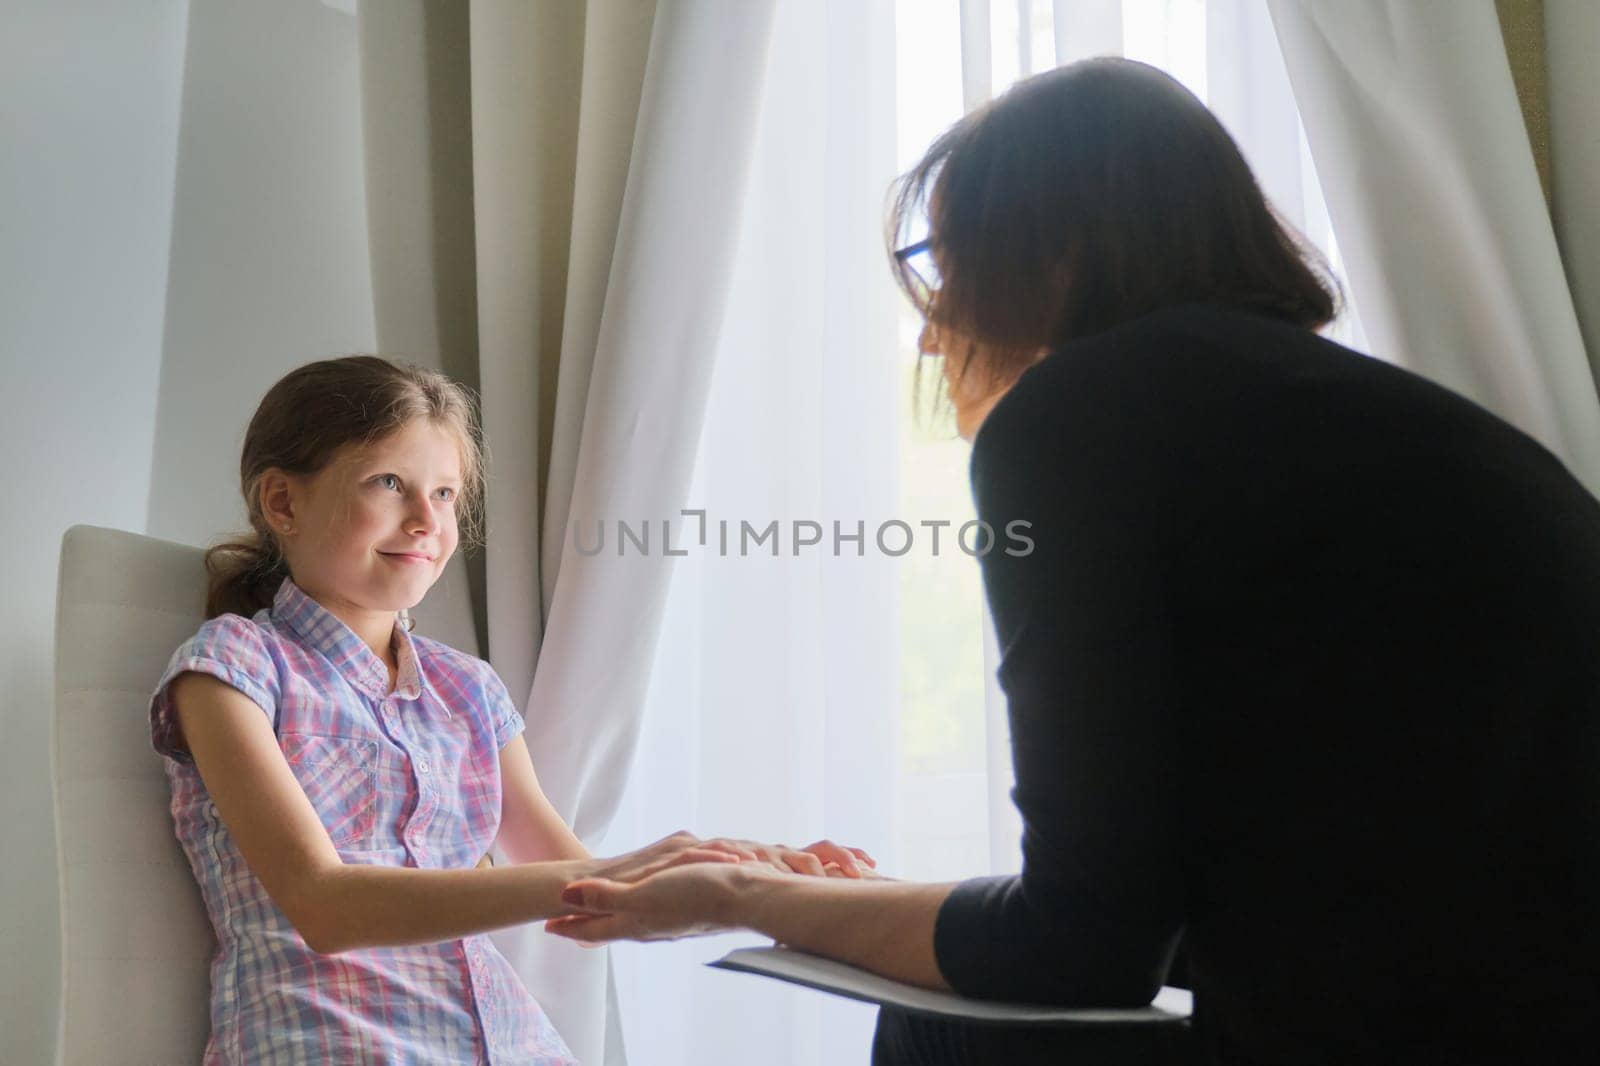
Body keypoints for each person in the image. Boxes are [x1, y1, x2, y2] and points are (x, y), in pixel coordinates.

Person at [542, 58, 1600, 1065]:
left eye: (946, 265)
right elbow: (1204, 900)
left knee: (945, 1029)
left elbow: (1076, 942)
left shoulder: (1080, 414)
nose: (930, 330)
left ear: (1056, 252)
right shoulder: (1390, 423)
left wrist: (743, 898)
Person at [149, 356, 872, 1063]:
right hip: (328, 1041)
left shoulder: (468, 690)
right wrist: (648, 870)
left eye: (443, 494)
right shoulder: (232, 666)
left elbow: (589, 892)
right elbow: (324, 904)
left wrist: (756, 878)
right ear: (283, 502)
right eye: (389, 483)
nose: (424, 519)